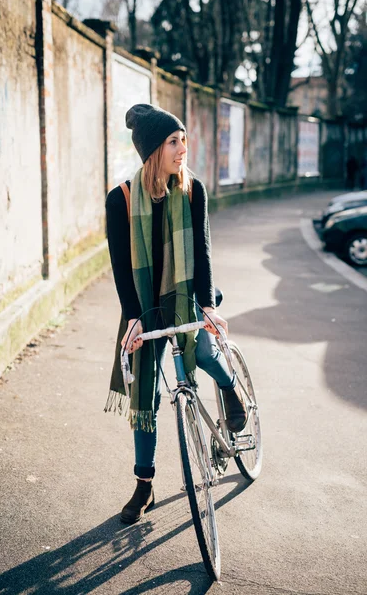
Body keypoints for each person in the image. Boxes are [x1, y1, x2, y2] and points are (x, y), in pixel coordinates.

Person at [105, 103, 247, 524]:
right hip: (144, 307)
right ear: (152, 151)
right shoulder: (122, 199)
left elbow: (202, 253)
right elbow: (118, 264)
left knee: (203, 353)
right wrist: (132, 318)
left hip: (187, 297)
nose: (182, 148)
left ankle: (232, 387)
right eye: (173, 141)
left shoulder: (193, 190)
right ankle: (144, 485)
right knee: (144, 395)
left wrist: (207, 306)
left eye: (183, 139)